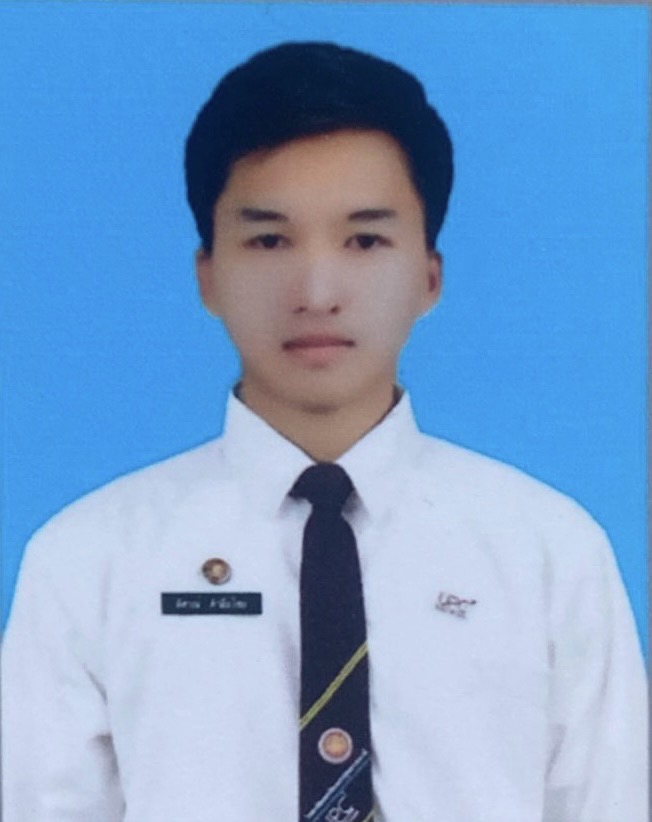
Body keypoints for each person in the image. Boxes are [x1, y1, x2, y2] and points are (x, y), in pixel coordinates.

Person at [1, 41, 646, 822]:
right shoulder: (87, 561)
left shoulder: (549, 553)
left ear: (430, 276)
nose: (316, 291)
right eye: (269, 240)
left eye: (365, 240)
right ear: (207, 274)